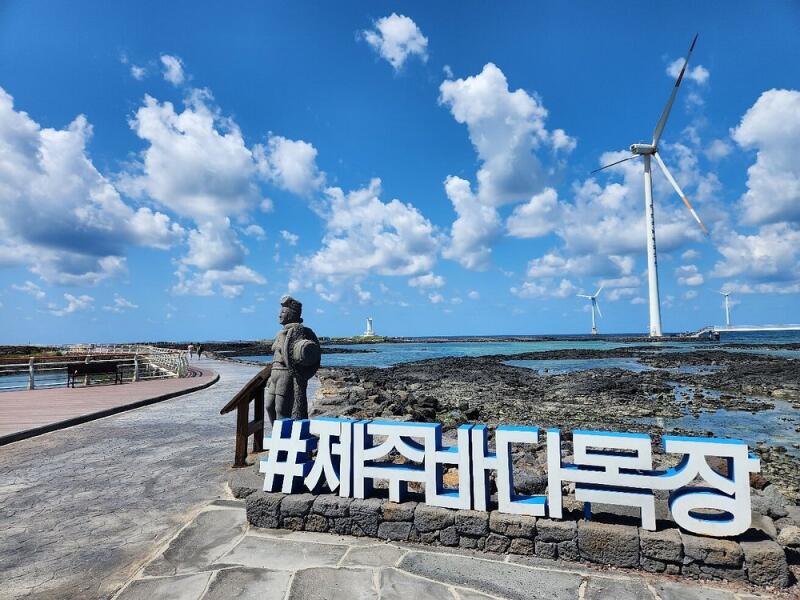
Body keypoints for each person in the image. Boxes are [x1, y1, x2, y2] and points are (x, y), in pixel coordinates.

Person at [265, 295, 321, 421]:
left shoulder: (297, 331)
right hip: (275, 373)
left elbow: (297, 353)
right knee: (269, 406)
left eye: (283, 312)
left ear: (291, 315)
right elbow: (276, 355)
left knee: (281, 409)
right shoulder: (281, 332)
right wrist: (270, 376)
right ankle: (276, 433)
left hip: (285, 374)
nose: (280, 315)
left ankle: (284, 437)